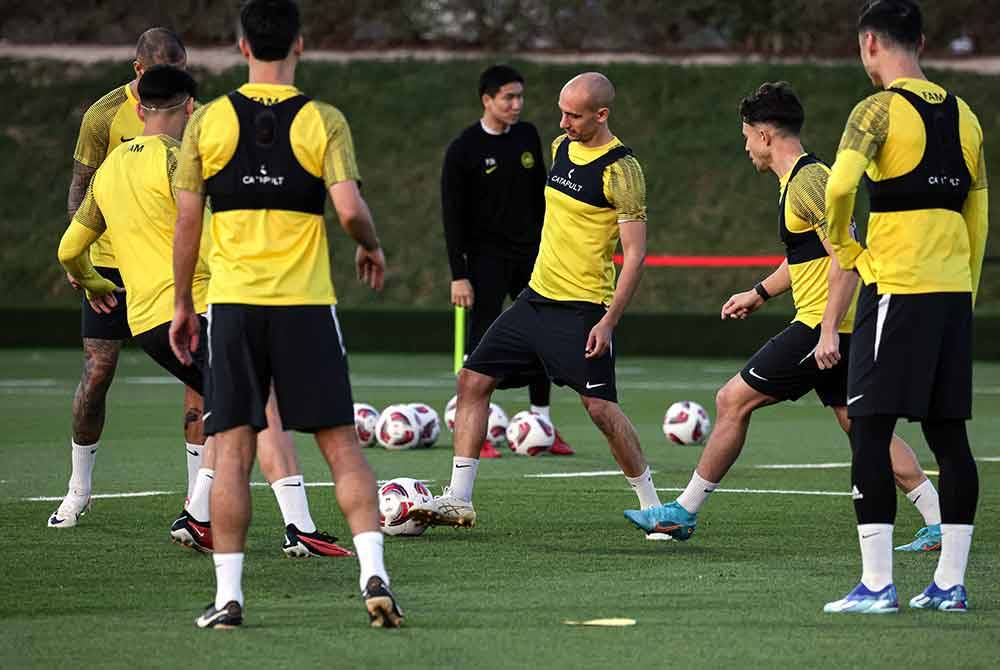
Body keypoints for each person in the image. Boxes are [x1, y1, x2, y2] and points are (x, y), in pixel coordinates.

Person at [623, 82, 943, 551]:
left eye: (748, 134)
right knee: (861, 424)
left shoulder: (809, 183)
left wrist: (828, 329)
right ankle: (938, 520)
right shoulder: (800, 181)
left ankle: (682, 513)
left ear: (766, 134)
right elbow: (807, 257)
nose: (746, 145)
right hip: (839, 323)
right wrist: (758, 293)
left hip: (822, 327)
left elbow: (846, 256)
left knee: (733, 399)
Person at [56, 64, 352, 560]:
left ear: (139, 107)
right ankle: (299, 527)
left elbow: (69, 248)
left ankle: (197, 515)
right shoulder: (179, 160)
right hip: (198, 311)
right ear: (190, 107)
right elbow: (210, 234)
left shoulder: (107, 172)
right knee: (265, 401)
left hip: (146, 322)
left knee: (232, 408)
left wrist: (92, 280)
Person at [170, 0, 401, 629]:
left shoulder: (208, 122)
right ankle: (372, 572)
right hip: (305, 305)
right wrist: (370, 246)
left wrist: (184, 302)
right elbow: (350, 209)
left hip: (237, 307)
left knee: (233, 451)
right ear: (300, 44)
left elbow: (188, 220)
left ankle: (229, 597)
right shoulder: (322, 119)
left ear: (242, 46)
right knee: (341, 447)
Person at [412, 72, 667, 538]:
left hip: (582, 309)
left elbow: (634, 255)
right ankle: (459, 499)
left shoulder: (622, 169)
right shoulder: (560, 147)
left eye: (574, 115)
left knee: (600, 410)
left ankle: (655, 509)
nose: (563, 122)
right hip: (534, 300)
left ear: (602, 114)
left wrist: (609, 321)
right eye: (561, 111)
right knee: (471, 380)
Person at [822, 0, 986, 614]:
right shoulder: (965, 115)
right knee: (951, 438)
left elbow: (839, 187)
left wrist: (843, 243)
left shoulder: (875, 109)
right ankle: (949, 583)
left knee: (869, 429)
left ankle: (877, 585)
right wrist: (965, 292)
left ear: (870, 44)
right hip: (950, 294)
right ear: (919, 40)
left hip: (897, 288)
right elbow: (980, 213)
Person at [48, 28, 198, 528]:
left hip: (169, 260)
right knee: (98, 373)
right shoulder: (103, 115)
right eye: (167, 74)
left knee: (198, 376)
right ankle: (78, 490)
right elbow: (80, 188)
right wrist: (83, 261)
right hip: (112, 264)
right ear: (139, 70)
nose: (178, 84)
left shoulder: (190, 110)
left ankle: (197, 499)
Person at [441, 64, 574, 457]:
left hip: (533, 256)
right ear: (487, 100)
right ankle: (476, 433)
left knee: (545, 334)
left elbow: (543, 198)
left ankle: (543, 425)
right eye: (508, 98)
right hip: (485, 261)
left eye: (520, 97)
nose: (516, 105)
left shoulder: (529, 136)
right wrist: (458, 275)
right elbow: (452, 216)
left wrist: (553, 249)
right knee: (481, 343)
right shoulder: (463, 149)